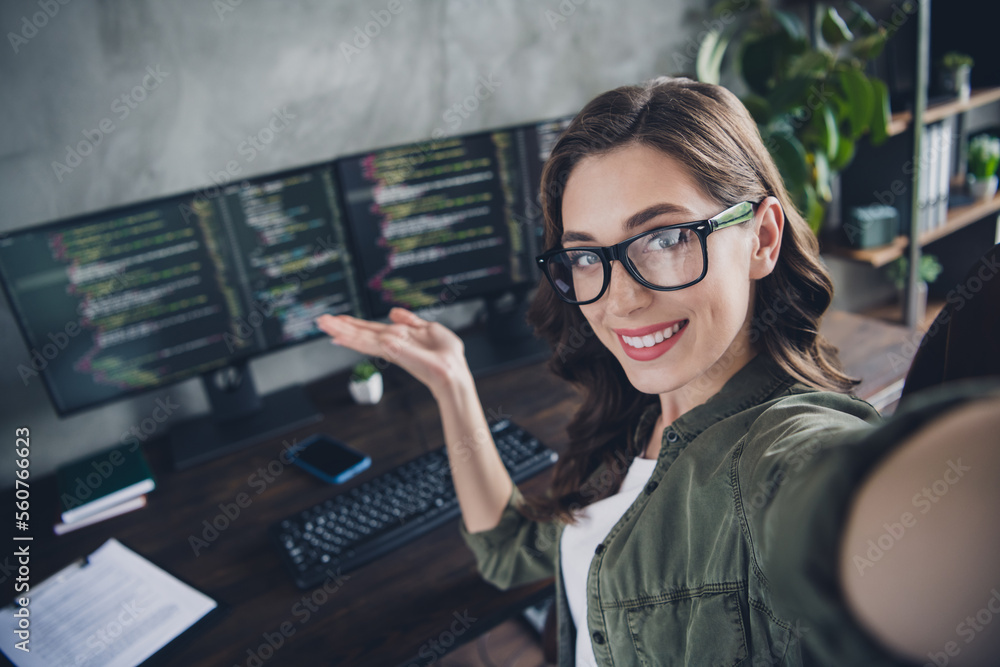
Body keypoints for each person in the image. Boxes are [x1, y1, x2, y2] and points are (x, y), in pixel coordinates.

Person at [316, 77, 1000, 666]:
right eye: (586, 256)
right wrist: (451, 380)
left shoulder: (777, 454)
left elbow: (856, 520)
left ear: (761, 239)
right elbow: (508, 550)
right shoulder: (633, 421)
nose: (620, 297)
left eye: (667, 238)